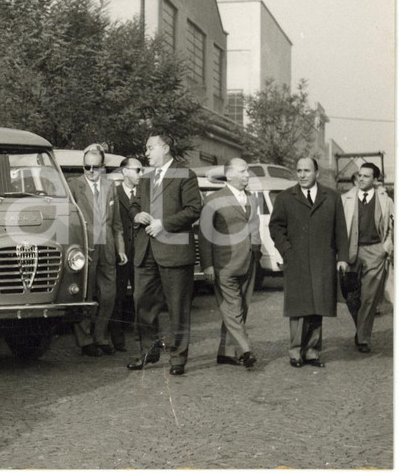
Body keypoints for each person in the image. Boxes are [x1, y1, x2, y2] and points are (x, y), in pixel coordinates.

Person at [127, 134, 201, 375]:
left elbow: (193, 210)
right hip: (146, 251)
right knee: (142, 304)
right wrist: (137, 214)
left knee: (177, 307)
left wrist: (164, 224)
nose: (146, 152)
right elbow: (135, 204)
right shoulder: (146, 177)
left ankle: (178, 359)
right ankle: (149, 352)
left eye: (150, 148)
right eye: (146, 148)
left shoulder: (185, 175)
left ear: (165, 148)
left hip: (174, 251)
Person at [269, 158, 349, 368]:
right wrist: (287, 251)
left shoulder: (331, 197)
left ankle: (312, 351)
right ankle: (295, 352)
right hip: (297, 261)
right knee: (298, 307)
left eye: (307, 170)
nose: (302, 174)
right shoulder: (285, 198)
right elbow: (276, 228)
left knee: (317, 306)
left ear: (317, 173)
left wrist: (342, 258)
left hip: (323, 260)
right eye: (299, 170)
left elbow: (341, 229)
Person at [198, 158, 261, 369]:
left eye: (247, 171)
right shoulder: (213, 199)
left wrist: (257, 254)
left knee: (240, 308)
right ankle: (245, 351)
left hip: (248, 262)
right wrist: (207, 265)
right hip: (224, 264)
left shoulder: (252, 198)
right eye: (243, 172)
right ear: (230, 174)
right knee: (232, 307)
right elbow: (205, 235)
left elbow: (255, 228)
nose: (247, 175)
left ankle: (225, 352)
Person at [69, 144, 128, 357]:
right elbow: (69, 221)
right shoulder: (73, 186)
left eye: (96, 167)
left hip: (109, 248)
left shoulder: (110, 187)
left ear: (103, 167)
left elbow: (117, 223)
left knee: (109, 295)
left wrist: (120, 247)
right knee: (86, 295)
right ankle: (85, 340)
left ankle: (100, 336)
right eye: (87, 167)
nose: (91, 171)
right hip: (86, 247)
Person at [340, 162, 394, 353]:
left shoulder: (385, 200)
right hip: (351, 252)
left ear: (375, 179)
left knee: (369, 298)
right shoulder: (346, 199)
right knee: (350, 295)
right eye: (360, 175)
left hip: (375, 252)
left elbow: (393, 225)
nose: (361, 179)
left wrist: (386, 247)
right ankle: (361, 328)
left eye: (366, 176)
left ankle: (363, 338)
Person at [111, 157, 143, 351]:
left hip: (141, 252)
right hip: (121, 253)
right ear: (124, 172)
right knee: (118, 295)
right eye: (136, 170)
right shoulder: (113, 193)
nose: (140, 174)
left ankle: (144, 337)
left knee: (143, 296)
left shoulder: (145, 193)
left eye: (141, 170)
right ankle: (117, 338)